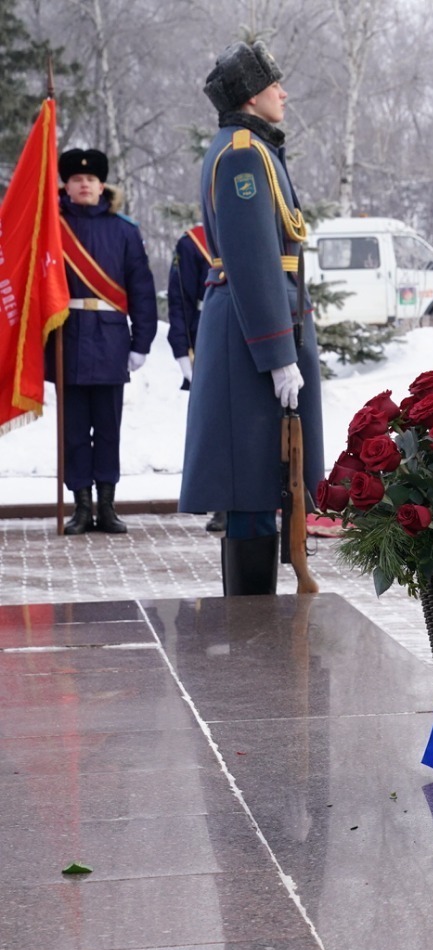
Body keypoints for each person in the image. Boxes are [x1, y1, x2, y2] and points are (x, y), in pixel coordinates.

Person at [180, 39, 325, 593]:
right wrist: (277, 354)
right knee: (253, 482)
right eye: (274, 86)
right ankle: (249, 616)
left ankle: (255, 610)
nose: (283, 93)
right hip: (252, 333)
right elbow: (252, 260)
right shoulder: (243, 152)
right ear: (249, 95)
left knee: (266, 478)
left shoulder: (255, 149)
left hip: (262, 326)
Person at [50, 148, 158, 536]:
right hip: (68, 337)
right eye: (77, 180)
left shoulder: (124, 229)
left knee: (108, 427)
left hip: (111, 339)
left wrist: (141, 342)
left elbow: (141, 289)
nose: (84, 185)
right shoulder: (51, 227)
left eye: (91, 180)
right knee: (74, 429)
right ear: (66, 185)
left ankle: (107, 506)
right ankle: (81, 507)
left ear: (101, 185)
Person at [166, 222, 226, 533]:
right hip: (211, 337)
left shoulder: (261, 225)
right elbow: (182, 301)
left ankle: (257, 499)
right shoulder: (193, 242)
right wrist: (182, 348)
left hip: (255, 337)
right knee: (214, 425)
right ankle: (221, 503)